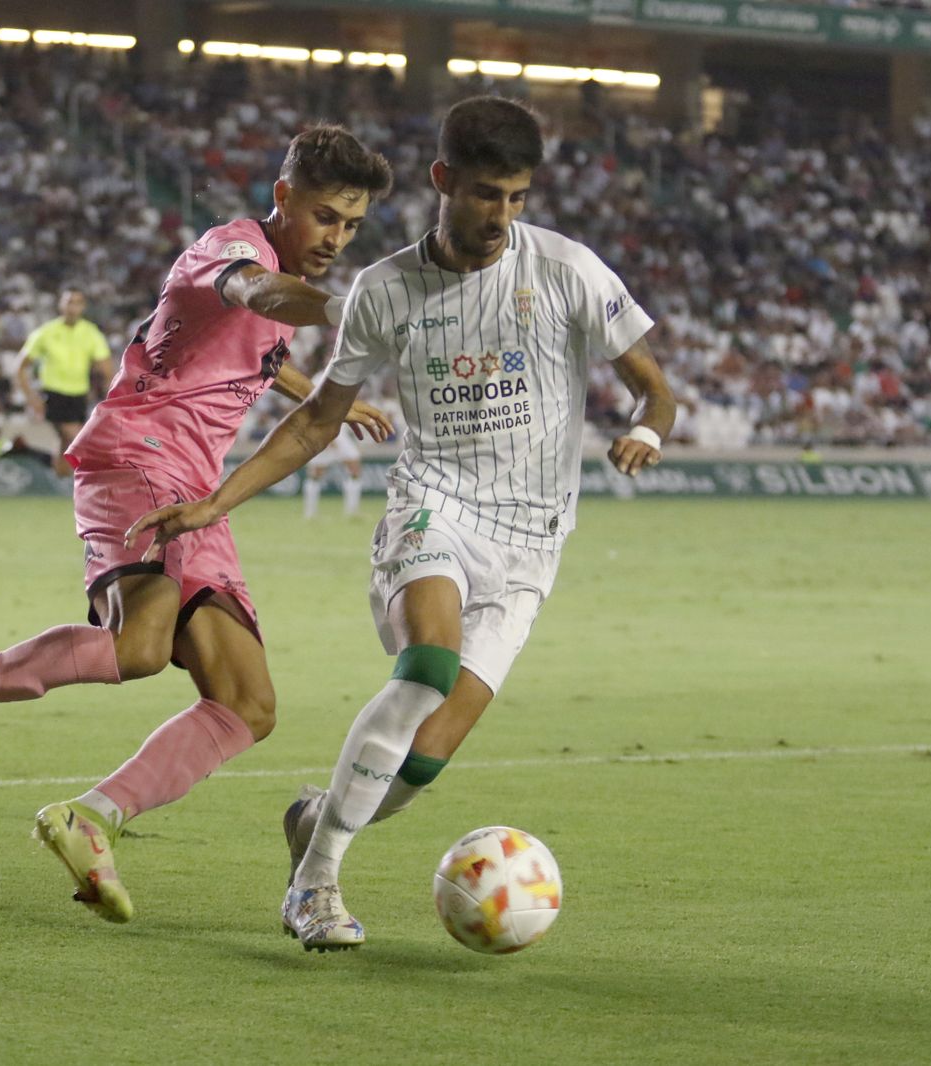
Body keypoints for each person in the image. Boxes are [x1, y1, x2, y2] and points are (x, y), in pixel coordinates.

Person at [126, 96, 677, 951]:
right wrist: (214, 501)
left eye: (518, 197)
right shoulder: (383, 291)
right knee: (423, 670)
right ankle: (313, 888)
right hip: (435, 507)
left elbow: (655, 384)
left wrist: (645, 427)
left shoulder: (569, 270)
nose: (502, 216)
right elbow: (315, 421)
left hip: (533, 541)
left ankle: (317, 818)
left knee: (422, 760)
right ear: (443, 180)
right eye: (487, 193)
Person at [0, 126, 396, 925]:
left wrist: (315, 389)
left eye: (351, 226)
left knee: (247, 705)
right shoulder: (229, 249)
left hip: (198, 489)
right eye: (325, 217)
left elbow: (255, 351)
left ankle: (91, 818)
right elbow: (253, 296)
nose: (336, 238)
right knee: (139, 648)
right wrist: (349, 307)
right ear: (283, 200)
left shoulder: (285, 288)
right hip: (135, 455)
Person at [13, 290, 114, 474]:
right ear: (61, 305)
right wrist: (31, 397)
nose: (73, 307)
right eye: (69, 302)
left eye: (77, 303)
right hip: (53, 393)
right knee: (76, 437)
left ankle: (57, 481)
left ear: (83, 307)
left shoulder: (91, 333)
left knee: (65, 443)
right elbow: (20, 367)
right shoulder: (46, 332)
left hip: (78, 395)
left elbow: (106, 368)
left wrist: (110, 396)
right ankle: (86, 479)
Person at [303, 423, 365, 519]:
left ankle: (352, 511)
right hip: (325, 433)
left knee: (355, 470)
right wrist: (330, 438)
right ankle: (310, 513)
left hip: (340, 433)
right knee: (315, 474)